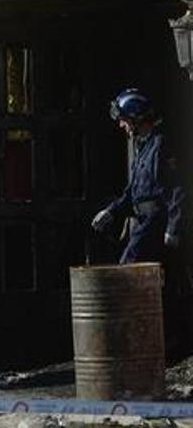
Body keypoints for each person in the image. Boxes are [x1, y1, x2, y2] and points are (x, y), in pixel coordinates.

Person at [92, 88, 188, 355]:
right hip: (142, 218)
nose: (122, 126)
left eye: (124, 120)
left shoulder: (161, 144)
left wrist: (174, 228)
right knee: (159, 285)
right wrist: (112, 211)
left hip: (157, 220)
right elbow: (132, 192)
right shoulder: (142, 147)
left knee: (129, 269)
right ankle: (159, 341)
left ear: (135, 118)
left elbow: (177, 190)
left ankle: (131, 340)